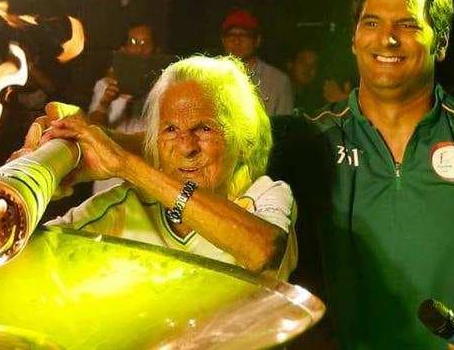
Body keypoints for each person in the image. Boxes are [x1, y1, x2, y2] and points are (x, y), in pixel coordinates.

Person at [303, 0, 454, 349]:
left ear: (441, 43)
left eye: (408, 25)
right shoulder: (311, 141)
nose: (387, 39)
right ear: (354, 38)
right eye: (372, 23)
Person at [34, 55, 296, 279]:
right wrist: (31, 177)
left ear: (243, 141)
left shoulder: (264, 193)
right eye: (170, 130)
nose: (186, 147)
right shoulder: (127, 204)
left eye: (204, 129)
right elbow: (28, 258)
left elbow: (266, 255)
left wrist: (127, 166)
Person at [88, 22, 156, 193]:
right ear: (124, 48)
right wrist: (105, 103)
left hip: (145, 179)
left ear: (155, 49)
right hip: (109, 180)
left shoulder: (163, 90)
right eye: (133, 43)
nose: (139, 49)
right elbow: (92, 130)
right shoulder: (104, 85)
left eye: (145, 43)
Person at [220, 10, 293, 115]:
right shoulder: (208, 78)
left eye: (244, 35)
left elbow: (285, 127)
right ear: (223, 40)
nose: (237, 41)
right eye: (231, 35)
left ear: (257, 40)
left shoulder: (278, 81)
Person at [286, 46, 323, 113]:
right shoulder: (276, 92)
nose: (308, 68)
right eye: (303, 62)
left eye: (313, 65)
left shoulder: (318, 100)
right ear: (290, 64)